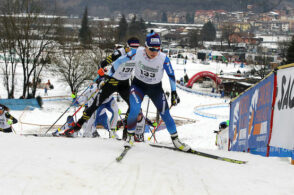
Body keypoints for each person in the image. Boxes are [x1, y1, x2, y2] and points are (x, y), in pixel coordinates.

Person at [112, 31, 190, 151]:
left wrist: (174, 92)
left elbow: (171, 75)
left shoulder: (163, 58)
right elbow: (118, 62)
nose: (154, 52)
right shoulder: (137, 52)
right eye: (152, 49)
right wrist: (108, 75)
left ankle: (176, 140)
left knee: (165, 113)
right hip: (138, 86)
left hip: (155, 88)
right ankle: (130, 137)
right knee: (135, 108)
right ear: (146, 47)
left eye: (157, 49)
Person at [64, 37, 140, 137]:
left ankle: (126, 130)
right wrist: (103, 74)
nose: (134, 51)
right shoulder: (119, 53)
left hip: (124, 84)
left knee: (134, 105)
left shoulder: (139, 54)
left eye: (137, 48)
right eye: (132, 48)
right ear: (127, 46)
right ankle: (77, 127)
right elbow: (103, 63)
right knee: (94, 106)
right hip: (112, 82)